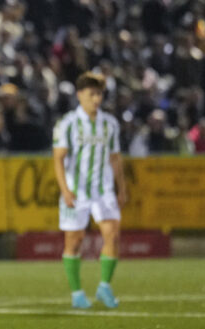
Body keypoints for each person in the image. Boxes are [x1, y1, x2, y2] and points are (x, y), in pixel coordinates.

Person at [53, 72, 127, 309]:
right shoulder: (67, 124)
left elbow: (115, 158)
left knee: (113, 234)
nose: (96, 99)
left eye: (99, 94)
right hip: (77, 190)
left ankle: (105, 287)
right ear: (79, 95)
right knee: (74, 241)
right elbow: (58, 158)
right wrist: (65, 189)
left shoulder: (110, 124)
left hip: (103, 189)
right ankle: (77, 293)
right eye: (91, 94)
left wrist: (121, 188)